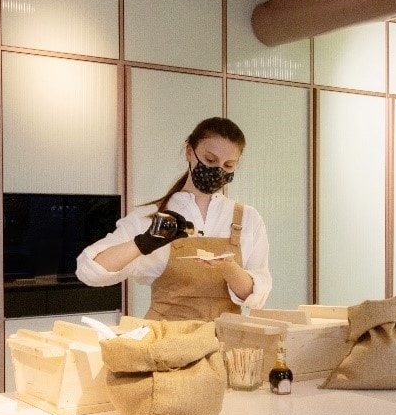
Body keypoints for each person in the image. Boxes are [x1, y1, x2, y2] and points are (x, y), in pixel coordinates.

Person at [76, 117, 271, 320]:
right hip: (165, 344)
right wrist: (143, 243)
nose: (217, 170)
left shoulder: (248, 219)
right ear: (189, 152)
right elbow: (89, 272)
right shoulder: (150, 218)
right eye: (210, 160)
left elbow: (257, 297)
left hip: (225, 343)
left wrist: (228, 268)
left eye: (228, 165)